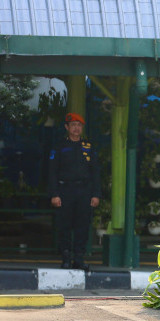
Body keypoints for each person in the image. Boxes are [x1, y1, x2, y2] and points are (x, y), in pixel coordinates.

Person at [48, 112, 102, 270]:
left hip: (84, 191)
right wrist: (54, 194)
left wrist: (96, 194)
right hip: (65, 190)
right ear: (67, 127)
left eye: (79, 125)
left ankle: (79, 258)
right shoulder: (59, 147)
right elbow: (52, 172)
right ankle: (65, 258)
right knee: (64, 225)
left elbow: (95, 172)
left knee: (82, 226)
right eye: (73, 125)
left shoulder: (89, 147)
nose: (76, 128)